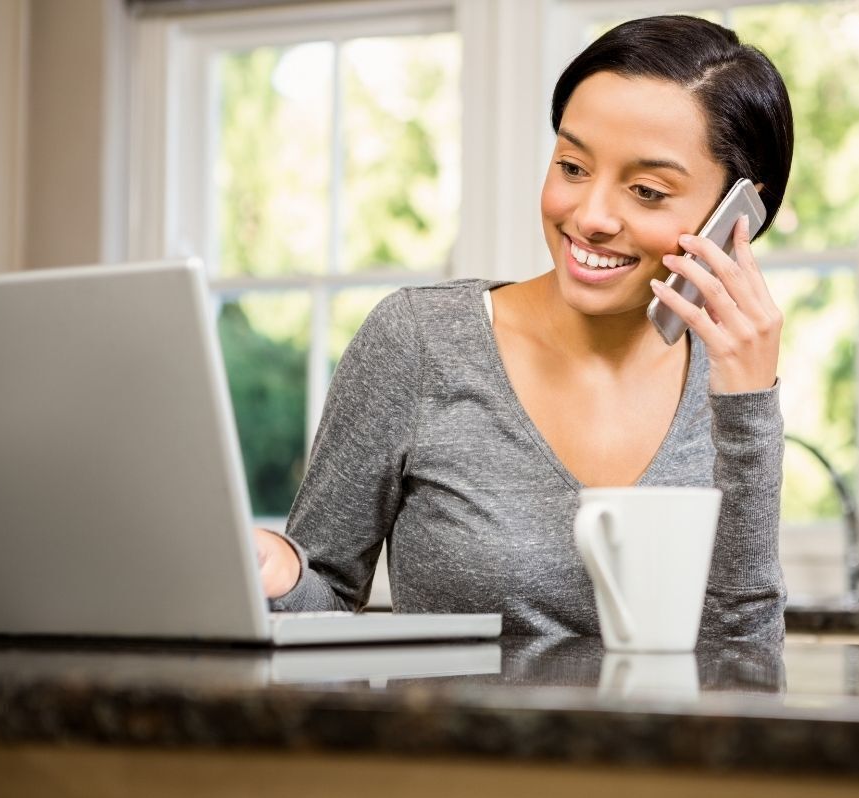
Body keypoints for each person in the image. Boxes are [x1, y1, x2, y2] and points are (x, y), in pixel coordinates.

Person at [254, 14, 794, 642]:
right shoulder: (419, 342)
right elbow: (323, 592)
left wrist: (749, 408)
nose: (590, 216)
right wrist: (282, 572)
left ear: (735, 215)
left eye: (646, 191)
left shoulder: (733, 383)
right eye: (572, 166)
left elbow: (747, 654)